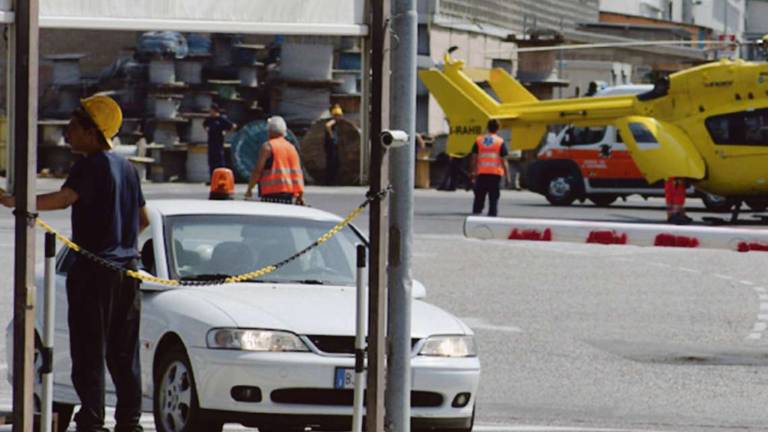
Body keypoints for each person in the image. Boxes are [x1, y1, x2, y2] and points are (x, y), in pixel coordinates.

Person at [1, 95, 149, 432]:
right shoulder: (128, 169)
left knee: (89, 350)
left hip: (95, 272)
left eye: (72, 129)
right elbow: (142, 218)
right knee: (124, 354)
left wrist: (17, 201)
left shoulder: (90, 165)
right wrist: (120, 241)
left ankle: (92, 422)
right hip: (127, 271)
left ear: (91, 132)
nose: (67, 136)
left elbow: (65, 198)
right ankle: (129, 422)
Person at [245, 116, 305, 205]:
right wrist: (300, 195)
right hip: (289, 193)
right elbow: (297, 174)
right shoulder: (291, 148)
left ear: (269, 131)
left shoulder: (268, 147)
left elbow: (258, 170)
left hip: (271, 193)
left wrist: (250, 189)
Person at [470, 119, 510, 217]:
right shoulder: (500, 142)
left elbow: (474, 159)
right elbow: (504, 161)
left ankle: (476, 215)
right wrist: (507, 176)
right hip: (495, 174)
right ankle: (492, 215)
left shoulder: (479, 140)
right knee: (493, 197)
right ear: (498, 129)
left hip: (482, 173)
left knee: (479, 197)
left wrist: (472, 172)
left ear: (487, 127)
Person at [203, 103, 236, 177]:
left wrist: (226, 132)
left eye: (211, 111)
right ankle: (212, 178)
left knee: (219, 161)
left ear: (215, 111)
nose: (210, 112)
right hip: (211, 143)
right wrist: (207, 129)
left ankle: (221, 177)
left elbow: (233, 126)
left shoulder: (221, 119)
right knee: (211, 161)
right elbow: (204, 125)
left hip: (218, 143)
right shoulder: (209, 119)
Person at [323, 104, 343, 185]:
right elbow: (327, 125)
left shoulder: (336, 123)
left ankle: (332, 180)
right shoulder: (333, 121)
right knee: (332, 163)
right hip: (331, 146)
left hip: (333, 146)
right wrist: (331, 135)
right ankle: (330, 181)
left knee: (334, 163)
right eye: (338, 116)